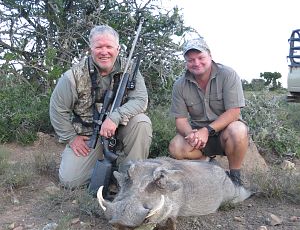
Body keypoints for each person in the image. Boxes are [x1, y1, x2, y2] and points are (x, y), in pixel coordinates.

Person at [50, 24, 152, 189]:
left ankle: (130, 178)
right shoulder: (73, 76)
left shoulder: (131, 69)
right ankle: (109, 166)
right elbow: (57, 109)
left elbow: (140, 100)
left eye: (109, 46)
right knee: (70, 181)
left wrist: (115, 117)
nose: (104, 51)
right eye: (99, 47)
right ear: (90, 49)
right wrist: (71, 137)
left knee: (142, 122)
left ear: (118, 48)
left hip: (122, 129)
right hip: (91, 136)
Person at [169, 37, 248, 186]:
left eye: (200, 57)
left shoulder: (228, 74)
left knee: (238, 129)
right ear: (186, 62)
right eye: (191, 60)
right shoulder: (179, 85)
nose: (196, 63)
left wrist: (207, 130)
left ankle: (235, 179)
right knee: (176, 146)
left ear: (210, 56)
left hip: (225, 133)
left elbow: (234, 112)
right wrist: (190, 134)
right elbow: (180, 120)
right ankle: (211, 167)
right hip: (200, 138)